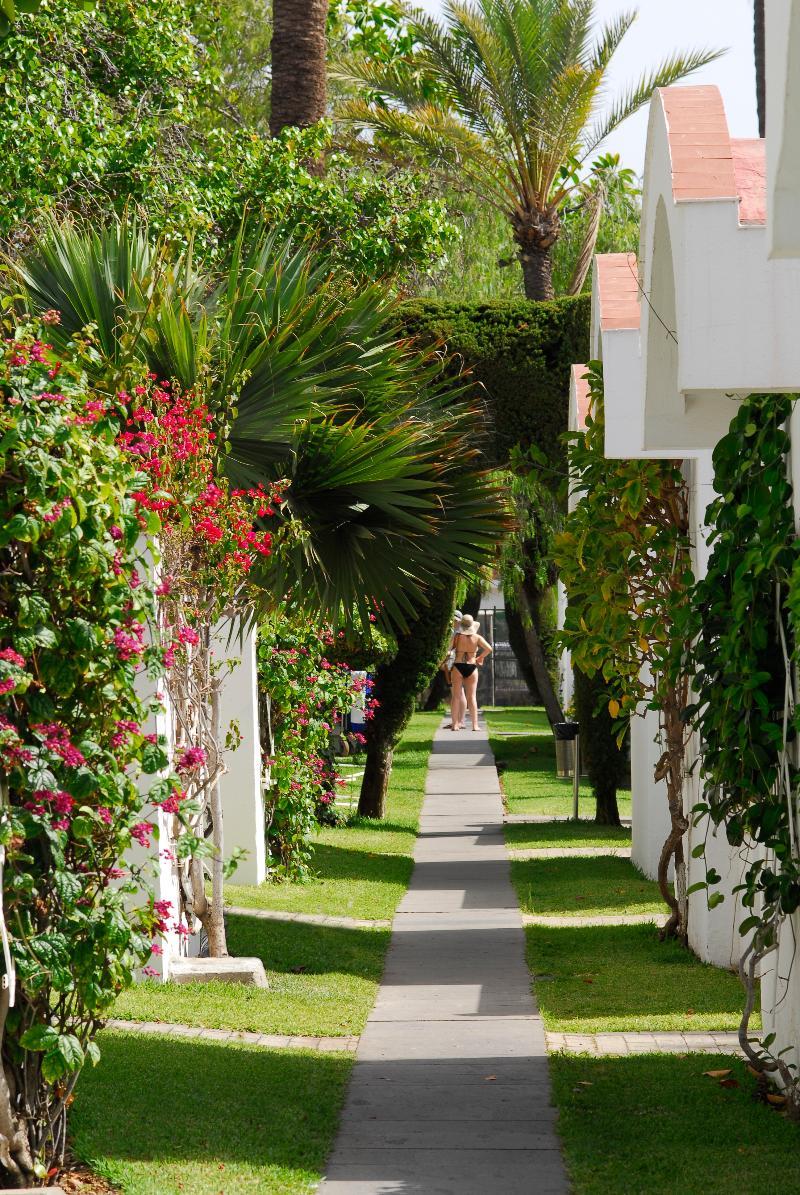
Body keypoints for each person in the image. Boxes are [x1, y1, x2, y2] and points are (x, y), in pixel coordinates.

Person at [448, 614, 492, 732]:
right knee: (472, 697)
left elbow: (447, 650)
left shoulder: (457, 637)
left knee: (456, 697)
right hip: (472, 667)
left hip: (458, 666)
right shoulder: (477, 637)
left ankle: (455, 724)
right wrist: (480, 658)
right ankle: (475, 725)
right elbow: (489, 649)